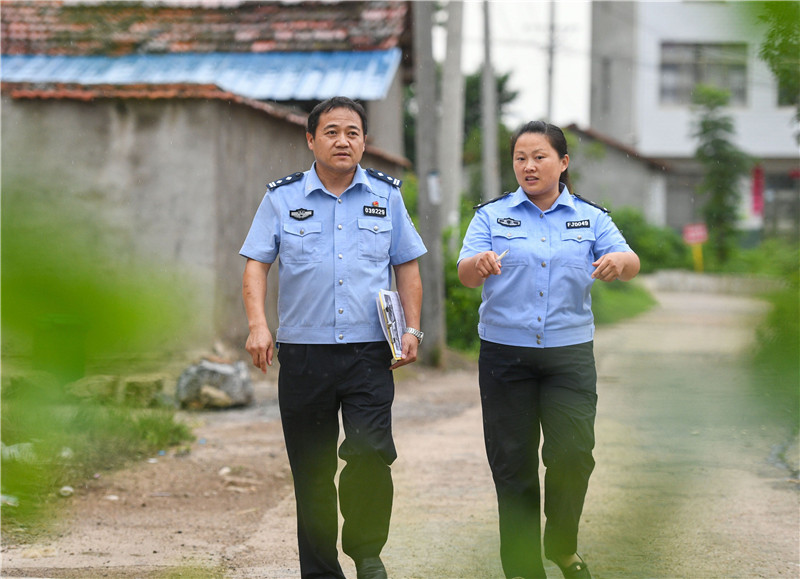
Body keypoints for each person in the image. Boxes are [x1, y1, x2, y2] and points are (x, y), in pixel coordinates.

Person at [240, 96, 426, 579]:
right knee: (313, 473)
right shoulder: (282, 199)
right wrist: (259, 324)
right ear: (311, 139)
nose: (343, 140)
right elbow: (257, 263)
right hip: (303, 355)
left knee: (369, 451)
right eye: (332, 131)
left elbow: (407, 265)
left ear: (364, 141)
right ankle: (322, 572)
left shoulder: (388, 196)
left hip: (369, 352)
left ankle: (366, 552)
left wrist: (411, 328)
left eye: (353, 132)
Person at [457, 121, 640, 579]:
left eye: (539, 156)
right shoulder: (491, 216)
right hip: (505, 357)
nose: (529, 166)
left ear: (562, 163)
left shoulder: (591, 217)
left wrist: (620, 262)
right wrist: (477, 265)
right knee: (513, 464)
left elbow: (630, 260)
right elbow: (464, 271)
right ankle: (522, 567)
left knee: (573, 454)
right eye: (520, 157)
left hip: (568, 356)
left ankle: (561, 544)